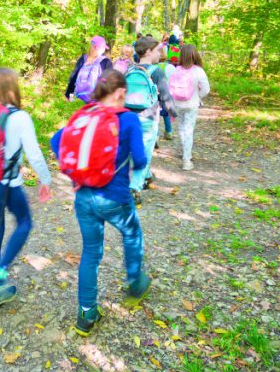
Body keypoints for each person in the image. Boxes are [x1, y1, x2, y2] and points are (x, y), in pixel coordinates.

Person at [51, 69, 151, 336]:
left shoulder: (85, 115)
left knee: (91, 252)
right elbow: (141, 160)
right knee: (132, 234)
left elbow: (55, 140)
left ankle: (86, 314)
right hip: (114, 197)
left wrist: (76, 171)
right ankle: (135, 283)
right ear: (120, 93)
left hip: (83, 196)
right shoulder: (128, 119)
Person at [0, 68, 53, 308]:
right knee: (24, 222)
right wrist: (45, 180)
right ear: (13, 88)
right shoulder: (20, 117)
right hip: (9, 184)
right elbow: (34, 154)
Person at [127, 38, 176, 205]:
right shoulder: (157, 72)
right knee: (144, 153)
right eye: (157, 51)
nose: (159, 54)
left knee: (134, 150)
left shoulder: (129, 69)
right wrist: (172, 112)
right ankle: (134, 188)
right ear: (148, 51)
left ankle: (146, 177)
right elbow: (165, 96)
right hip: (148, 118)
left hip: (128, 117)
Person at [168, 44, 211, 171]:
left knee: (182, 128)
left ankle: (186, 151)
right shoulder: (198, 71)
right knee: (188, 130)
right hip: (192, 105)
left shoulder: (176, 70)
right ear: (195, 55)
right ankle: (186, 160)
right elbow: (206, 90)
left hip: (177, 104)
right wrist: (198, 96)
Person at [64, 36, 113, 103]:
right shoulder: (105, 62)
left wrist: (70, 97)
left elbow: (73, 78)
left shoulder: (83, 58)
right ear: (100, 48)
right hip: (96, 101)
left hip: (78, 99)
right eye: (104, 48)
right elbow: (109, 82)